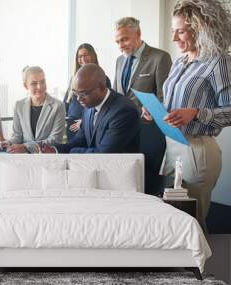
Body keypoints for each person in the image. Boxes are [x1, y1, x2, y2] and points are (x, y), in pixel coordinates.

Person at [143, 0, 231, 231]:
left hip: (197, 151)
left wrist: (196, 113)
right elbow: (174, 105)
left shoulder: (218, 63)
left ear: (200, 30)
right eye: (173, 30)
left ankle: (201, 268)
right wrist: (156, 109)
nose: (174, 38)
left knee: (192, 224)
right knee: (172, 220)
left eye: (180, 31)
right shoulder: (180, 62)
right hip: (171, 147)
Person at [113, 17, 172, 195]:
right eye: (117, 41)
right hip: (123, 131)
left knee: (149, 183)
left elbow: (165, 98)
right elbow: (117, 94)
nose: (121, 45)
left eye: (124, 39)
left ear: (138, 34)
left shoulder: (159, 57)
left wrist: (154, 110)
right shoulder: (119, 60)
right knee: (127, 183)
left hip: (149, 131)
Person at [41, 63, 140, 154]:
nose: (79, 99)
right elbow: (80, 141)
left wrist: (73, 152)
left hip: (118, 170)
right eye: (76, 93)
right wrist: (55, 150)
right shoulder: (88, 107)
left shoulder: (123, 111)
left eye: (84, 93)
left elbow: (104, 154)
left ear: (101, 87)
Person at [5, 66, 66, 153]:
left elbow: (55, 140)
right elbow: (17, 136)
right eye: (34, 83)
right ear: (25, 86)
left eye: (42, 82)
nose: (39, 87)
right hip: (23, 159)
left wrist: (26, 147)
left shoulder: (58, 106)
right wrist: (8, 143)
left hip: (47, 159)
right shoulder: (19, 105)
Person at [63, 43, 111, 142]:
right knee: (72, 153)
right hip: (71, 126)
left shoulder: (103, 79)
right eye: (80, 56)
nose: (83, 58)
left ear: (93, 56)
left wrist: (84, 121)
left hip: (88, 124)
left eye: (86, 55)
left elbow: (105, 107)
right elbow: (66, 103)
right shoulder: (73, 79)